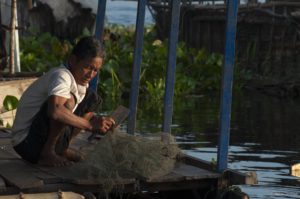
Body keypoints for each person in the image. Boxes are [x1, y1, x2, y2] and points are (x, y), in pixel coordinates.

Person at [11, 36, 115, 167]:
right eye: (88, 67)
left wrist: (97, 121)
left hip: (39, 138)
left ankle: (61, 149)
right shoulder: (62, 76)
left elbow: (81, 114)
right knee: (68, 102)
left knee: (92, 99)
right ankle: (47, 153)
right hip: (26, 143)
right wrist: (89, 125)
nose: (91, 74)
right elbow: (56, 111)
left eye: (95, 70)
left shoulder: (80, 83)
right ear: (72, 60)